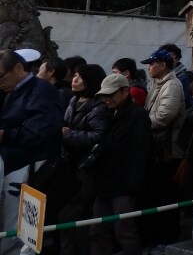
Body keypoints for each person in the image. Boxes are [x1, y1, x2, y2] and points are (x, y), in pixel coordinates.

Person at [0, 50, 62, 255]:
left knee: (19, 229)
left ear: (18, 68)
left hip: (31, 168)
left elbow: (41, 131)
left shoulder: (41, 90)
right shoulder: (12, 91)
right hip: (11, 165)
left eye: (1, 76)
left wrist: (5, 135)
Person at [88, 74, 151, 255]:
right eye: (104, 95)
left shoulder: (137, 115)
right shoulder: (106, 113)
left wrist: (132, 185)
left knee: (124, 230)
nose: (107, 99)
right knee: (97, 229)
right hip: (104, 182)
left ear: (125, 91)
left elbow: (141, 153)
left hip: (124, 185)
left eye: (111, 95)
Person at [58, 64, 110, 255]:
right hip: (68, 167)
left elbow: (99, 137)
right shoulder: (73, 100)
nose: (74, 79)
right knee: (65, 216)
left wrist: (69, 135)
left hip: (86, 169)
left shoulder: (98, 106)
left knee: (75, 216)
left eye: (80, 76)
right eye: (75, 75)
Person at [139, 49, 186, 251]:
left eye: (152, 63)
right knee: (156, 194)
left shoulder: (172, 85)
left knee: (166, 196)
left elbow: (164, 116)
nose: (149, 67)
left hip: (167, 150)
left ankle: (168, 237)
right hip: (157, 148)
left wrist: (140, 124)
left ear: (163, 65)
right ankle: (158, 235)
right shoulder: (156, 84)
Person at [158, 43, 193, 109]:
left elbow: (187, 104)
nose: (166, 60)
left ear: (177, 58)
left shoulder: (184, 78)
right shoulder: (158, 78)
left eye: (170, 56)